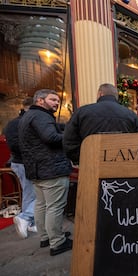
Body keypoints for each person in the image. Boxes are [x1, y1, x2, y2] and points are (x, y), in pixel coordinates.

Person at [18, 89, 73, 256]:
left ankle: (46, 237)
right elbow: (51, 137)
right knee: (54, 207)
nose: (57, 103)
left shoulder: (29, 116)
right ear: (40, 101)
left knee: (42, 205)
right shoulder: (41, 116)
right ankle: (57, 242)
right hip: (51, 169)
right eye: (53, 100)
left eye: (58, 100)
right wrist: (71, 137)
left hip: (37, 170)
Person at [63, 83, 138, 164]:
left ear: (100, 94)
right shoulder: (130, 114)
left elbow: (69, 141)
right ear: (116, 96)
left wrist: (81, 159)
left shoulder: (81, 112)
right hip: (122, 165)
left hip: (90, 164)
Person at [3, 97, 37, 239]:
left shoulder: (12, 123)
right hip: (25, 161)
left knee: (29, 193)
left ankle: (29, 222)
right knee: (38, 193)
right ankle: (25, 217)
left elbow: (13, 145)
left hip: (17, 161)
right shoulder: (27, 122)